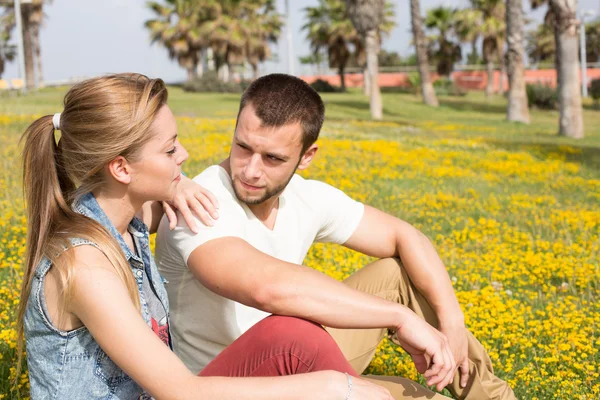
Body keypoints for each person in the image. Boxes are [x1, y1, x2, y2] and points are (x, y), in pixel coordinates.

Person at [16, 73, 397, 400]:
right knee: (323, 374)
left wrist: (174, 187)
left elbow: (146, 199)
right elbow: (182, 391)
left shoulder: (120, 215)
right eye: (169, 150)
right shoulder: (86, 266)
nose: (184, 154)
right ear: (121, 168)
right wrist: (330, 386)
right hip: (183, 390)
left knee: (292, 336)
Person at [155, 74, 517, 400]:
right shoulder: (198, 202)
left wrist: (452, 323)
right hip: (228, 381)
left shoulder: (304, 196)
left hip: (297, 350)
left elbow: (405, 236)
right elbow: (267, 288)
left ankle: (493, 395)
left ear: (306, 156)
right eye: (243, 147)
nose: (250, 170)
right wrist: (400, 318)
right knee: (409, 395)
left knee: (394, 273)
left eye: (273, 158)